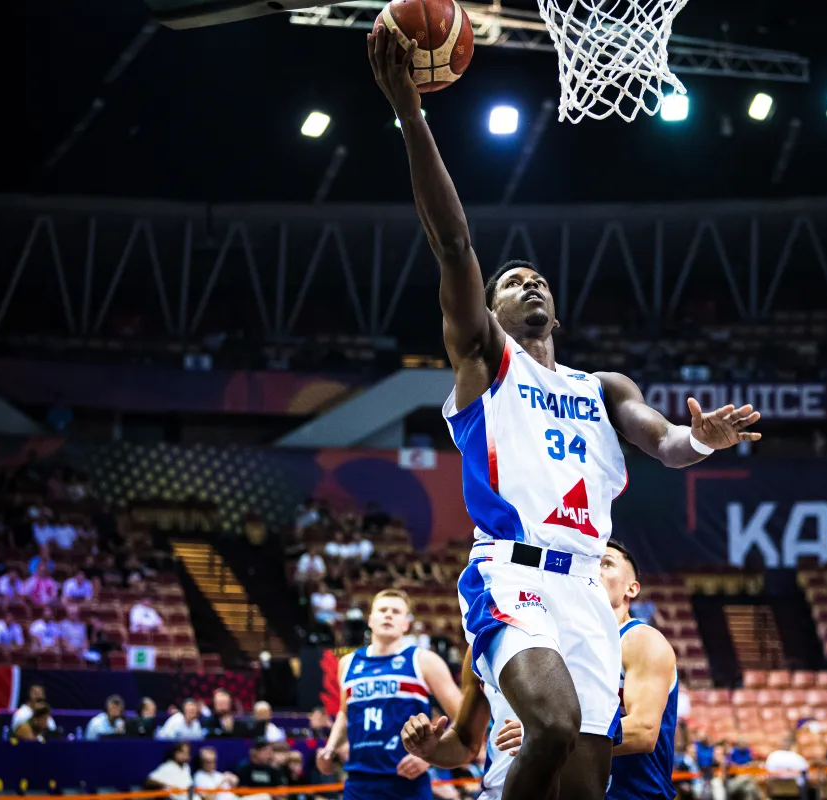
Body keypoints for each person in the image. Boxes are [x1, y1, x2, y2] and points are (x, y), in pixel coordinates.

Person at [367, 21, 762, 800]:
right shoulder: (486, 362)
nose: (531, 286)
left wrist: (701, 438)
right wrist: (411, 112)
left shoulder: (604, 387)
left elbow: (667, 444)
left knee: (582, 784)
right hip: (510, 575)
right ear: (491, 309)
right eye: (513, 282)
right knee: (545, 724)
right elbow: (451, 246)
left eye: (539, 279)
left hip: (585, 592)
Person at [402, 542, 679, 800]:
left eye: (605, 563)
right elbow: (465, 742)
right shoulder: (497, 640)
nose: (593, 569)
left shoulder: (639, 640)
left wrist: (547, 733)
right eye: (588, 561)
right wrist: (432, 751)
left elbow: (644, 730)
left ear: (631, 588)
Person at [316, 589, 463, 800]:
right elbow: (345, 713)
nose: (388, 615)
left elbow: (462, 715)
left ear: (406, 623)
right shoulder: (348, 663)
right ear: (370, 620)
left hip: (407, 783)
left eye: (396, 611)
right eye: (382, 610)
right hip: (358, 783)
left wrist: (430, 757)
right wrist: (330, 748)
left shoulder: (423, 660)